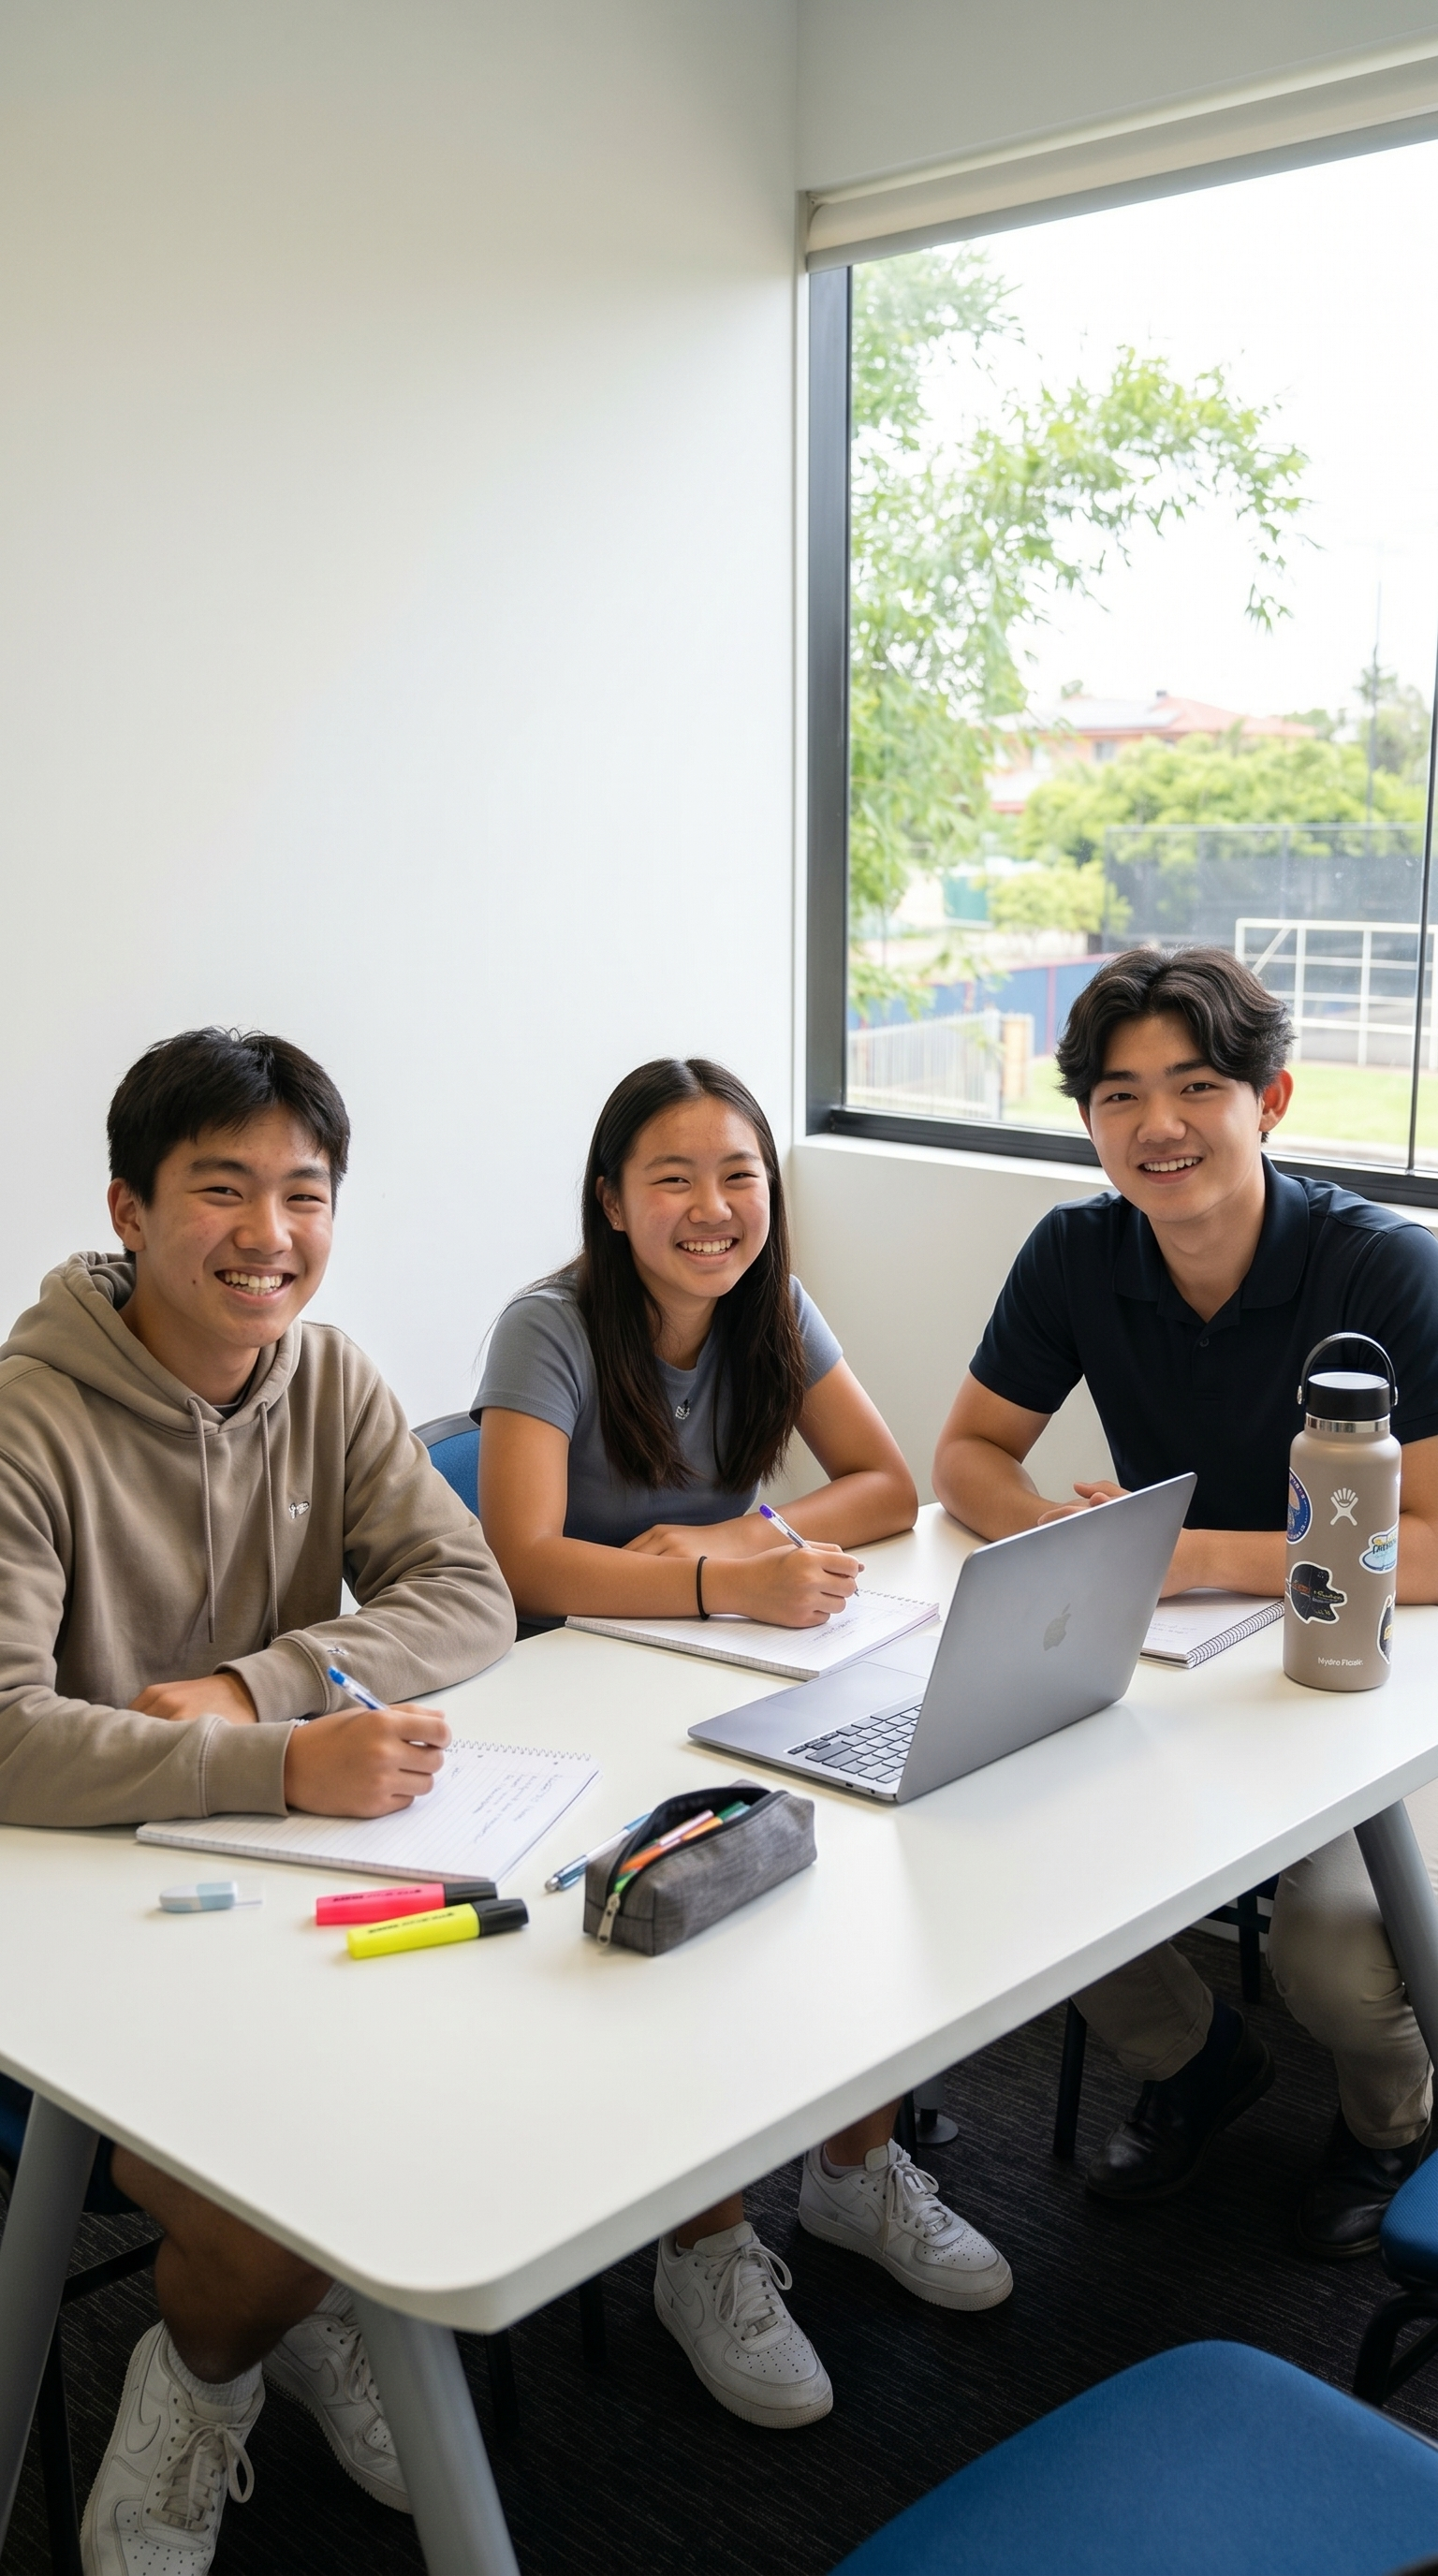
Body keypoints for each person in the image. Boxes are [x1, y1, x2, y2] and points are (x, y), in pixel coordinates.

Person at [0, 1028, 516, 2576]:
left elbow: (467, 1592)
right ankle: (204, 2372)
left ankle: (278, 2324)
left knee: (475, 2092)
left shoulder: (331, 1376)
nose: (269, 1236)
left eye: (304, 1193)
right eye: (221, 1190)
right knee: (289, 2202)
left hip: (278, 1891)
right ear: (129, 1208)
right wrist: (275, 1765)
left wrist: (260, 1689)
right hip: (71, 1930)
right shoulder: (27, 1417)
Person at [476, 1054, 1012, 2431]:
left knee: (893, 1843)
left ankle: (851, 2169)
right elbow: (526, 1566)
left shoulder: (773, 1304)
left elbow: (887, 1486)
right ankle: (703, 2246)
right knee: (691, 1922)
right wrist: (733, 1580)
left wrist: (737, 1540)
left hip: (715, 1657)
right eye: (673, 1178)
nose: (712, 1209)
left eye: (739, 1177)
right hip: (572, 1696)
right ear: (610, 1200)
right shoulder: (546, 1327)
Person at [932, 946, 1438, 2257]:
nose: (1157, 1125)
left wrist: (1201, 1552)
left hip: (1361, 1666)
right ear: (1091, 1123)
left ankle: (1394, 2124)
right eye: (1118, 1096)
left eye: (1196, 1085)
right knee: (987, 1824)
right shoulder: (1077, 1255)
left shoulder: (1383, 1270)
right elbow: (968, 1456)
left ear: (1268, 1102)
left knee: (1331, 1945)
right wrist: (1072, 1540)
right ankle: (1198, 2057)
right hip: (1173, 1658)